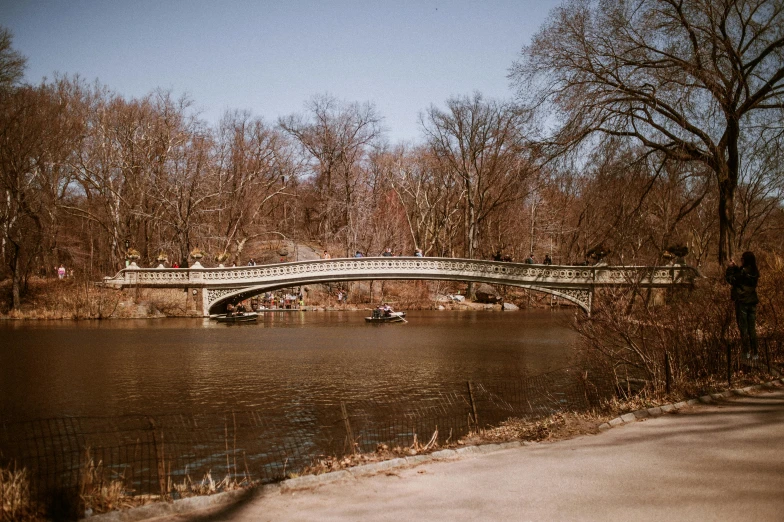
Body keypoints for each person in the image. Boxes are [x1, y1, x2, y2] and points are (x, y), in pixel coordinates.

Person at [725, 251, 760, 360]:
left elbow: (731, 279)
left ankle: (746, 352)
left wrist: (730, 269)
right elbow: (740, 274)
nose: (741, 260)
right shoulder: (754, 271)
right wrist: (736, 267)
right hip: (752, 301)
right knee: (752, 329)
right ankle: (755, 353)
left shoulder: (743, 272)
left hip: (742, 302)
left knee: (743, 329)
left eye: (742, 259)